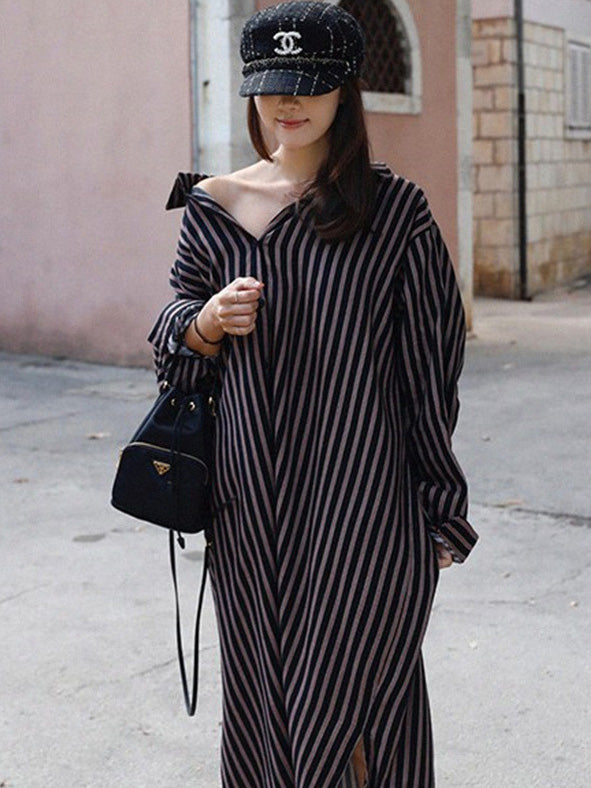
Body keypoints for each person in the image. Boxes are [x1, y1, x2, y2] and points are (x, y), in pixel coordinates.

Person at [149, 2, 478, 786]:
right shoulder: (209, 208)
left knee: (359, 710)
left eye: (308, 84)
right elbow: (173, 352)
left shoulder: (394, 212)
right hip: (246, 510)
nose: (287, 102)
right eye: (270, 84)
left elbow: (430, 372)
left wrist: (438, 506)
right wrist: (203, 323)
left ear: (344, 91)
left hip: (363, 507)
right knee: (264, 698)